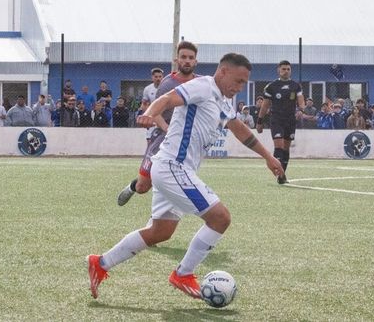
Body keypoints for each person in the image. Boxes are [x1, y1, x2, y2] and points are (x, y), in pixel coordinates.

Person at [87, 53, 284, 300]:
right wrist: (150, 112)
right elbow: (168, 99)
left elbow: (240, 130)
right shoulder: (203, 86)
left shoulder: (224, 102)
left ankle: (100, 263)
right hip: (173, 167)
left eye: (244, 83)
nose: (240, 87)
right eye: (238, 80)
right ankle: (183, 273)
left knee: (161, 231)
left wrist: (268, 156)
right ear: (222, 72)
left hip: (173, 169)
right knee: (220, 218)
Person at [116, 41, 199, 206]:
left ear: (196, 61)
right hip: (163, 137)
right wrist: (169, 130)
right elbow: (156, 113)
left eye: (191, 58)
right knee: (143, 186)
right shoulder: (168, 84)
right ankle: (132, 187)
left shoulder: (201, 83)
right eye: (183, 57)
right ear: (177, 60)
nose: (187, 61)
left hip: (186, 142)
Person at [256, 60, 305, 183]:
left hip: (290, 120)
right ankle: (279, 174)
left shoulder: (296, 85)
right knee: (278, 147)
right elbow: (265, 106)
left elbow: (301, 101)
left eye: (288, 69)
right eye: (284, 69)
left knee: (286, 149)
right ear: (278, 70)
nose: (286, 71)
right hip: (277, 119)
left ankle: (282, 175)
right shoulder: (271, 86)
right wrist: (260, 121)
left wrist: (301, 110)